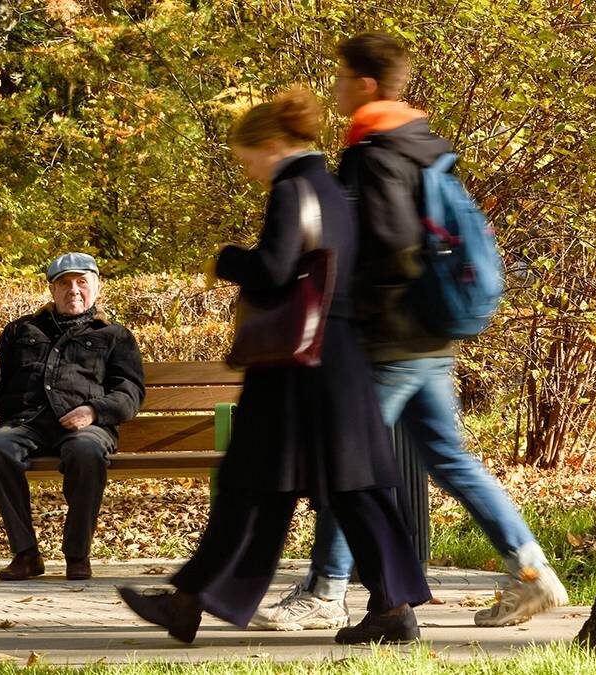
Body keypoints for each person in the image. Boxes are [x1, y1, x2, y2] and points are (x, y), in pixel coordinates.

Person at [251, 32, 568, 632]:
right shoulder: (420, 144)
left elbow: (390, 244)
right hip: (431, 332)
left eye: (343, 77)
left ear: (366, 84)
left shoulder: (375, 152)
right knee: (449, 457)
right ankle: (534, 574)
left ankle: (325, 589)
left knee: (349, 463)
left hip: (391, 339)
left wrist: (354, 311)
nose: (337, 87)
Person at [117, 87, 431, 646]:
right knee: (352, 490)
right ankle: (390, 608)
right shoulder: (333, 188)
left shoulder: (292, 189)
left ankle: (189, 601)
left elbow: (274, 268)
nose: (249, 172)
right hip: (336, 362)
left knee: (251, 484)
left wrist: (226, 258)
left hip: (296, 368)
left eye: (246, 159)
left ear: (269, 145)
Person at [0, 252, 145, 582]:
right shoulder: (22, 330)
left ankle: (77, 554)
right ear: (52, 290)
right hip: (27, 423)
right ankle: (26, 554)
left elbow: (130, 392)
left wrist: (94, 411)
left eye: (82, 282)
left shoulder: (114, 335)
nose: (74, 290)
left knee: (87, 451)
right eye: (64, 283)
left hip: (86, 426)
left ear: (97, 287)